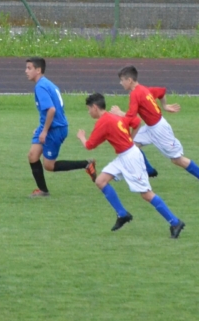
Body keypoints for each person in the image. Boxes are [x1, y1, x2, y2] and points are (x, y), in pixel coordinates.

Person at [77, 93, 185, 238]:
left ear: (95, 107)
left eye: (88, 109)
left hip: (131, 158)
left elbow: (89, 146)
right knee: (100, 181)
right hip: (124, 156)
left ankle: (175, 222)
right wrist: (130, 140)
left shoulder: (103, 122)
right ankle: (122, 214)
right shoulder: (114, 116)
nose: (89, 112)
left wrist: (82, 137)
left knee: (146, 194)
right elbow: (136, 122)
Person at [110, 65, 199, 191]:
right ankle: (148, 170)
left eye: (122, 80)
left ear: (130, 80)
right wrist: (165, 106)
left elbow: (131, 118)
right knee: (130, 144)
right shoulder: (144, 89)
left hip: (159, 130)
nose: (120, 83)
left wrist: (118, 113)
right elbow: (161, 91)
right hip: (151, 128)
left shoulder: (135, 94)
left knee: (177, 159)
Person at [25, 57, 97, 198]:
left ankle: (86, 164)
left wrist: (44, 131)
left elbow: (52, 110)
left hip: (55, 129)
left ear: (38, 70)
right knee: (33, 156)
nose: (26, 71)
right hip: (50, 126)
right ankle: (43, 191)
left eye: (29, 68)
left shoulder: (40, 86)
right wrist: (41, 127)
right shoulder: (47, 84)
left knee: (49, 166)